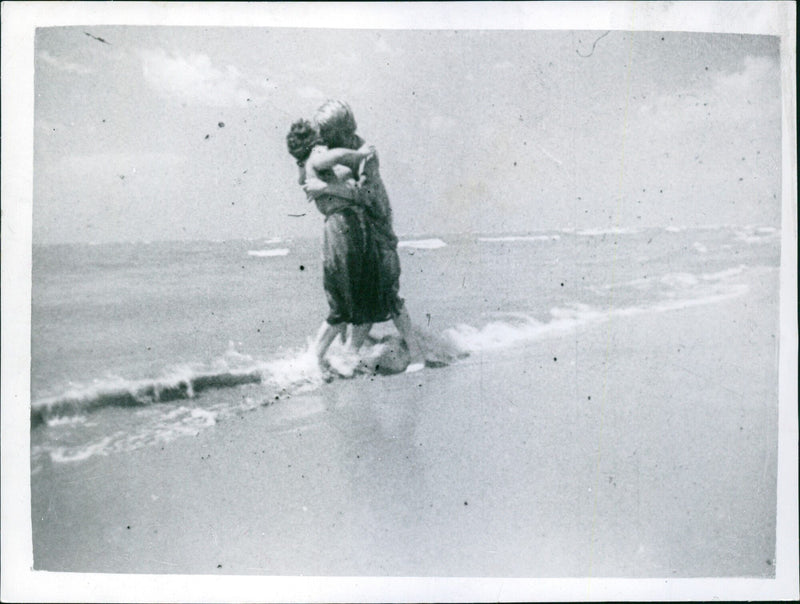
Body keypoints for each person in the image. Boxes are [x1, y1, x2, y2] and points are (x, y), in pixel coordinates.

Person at [308, 100, 424, 372]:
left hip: (377, 226)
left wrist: (325, 188)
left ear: (341, 129)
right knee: (359, 293)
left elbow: (366, 195)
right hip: (354, 229)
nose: (321, 137)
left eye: (326, 131)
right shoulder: (326, 148)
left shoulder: (366, 154)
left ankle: (417, 354)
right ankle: (350, 355)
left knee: (388, 293)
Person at [285, 119, 387, 374]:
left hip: (344, 227)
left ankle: (338, 358)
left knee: (352, 299)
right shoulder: (317, 158)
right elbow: (339, 155)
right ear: (314, 143)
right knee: (349, 303)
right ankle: (318, 359)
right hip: (344, 226)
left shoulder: (306, 166)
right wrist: (360, 154)